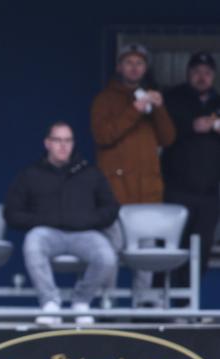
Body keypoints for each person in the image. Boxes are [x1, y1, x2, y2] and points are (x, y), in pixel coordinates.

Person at [4, 122, 120, 325]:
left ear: (73, 143)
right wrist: (43, 220)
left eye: (68, 140)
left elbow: (111, 208)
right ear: (47, 143)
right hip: (48, 234)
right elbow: (11, 213)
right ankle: (50, 304)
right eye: (57, 140)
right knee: (33, 241)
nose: (63, 145)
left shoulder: (90, 172)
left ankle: (81, 302)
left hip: (84, 234)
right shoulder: (31, 174)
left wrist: (87, 220)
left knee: (107, 256)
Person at [91, 43, 176, 302]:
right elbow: (103, 136)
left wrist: (159, 108)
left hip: (147, 193)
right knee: (111, 251)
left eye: (139, 63)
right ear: (119, 67)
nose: (134, 67)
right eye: (129, 62)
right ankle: (108, 305)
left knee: (146, 254)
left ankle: (143, 307)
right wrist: (135, 110)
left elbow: (168, 139)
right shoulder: (105, 99)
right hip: (116, 192)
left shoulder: (152, 97)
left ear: (145, 68)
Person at [162, 51, 220, 289]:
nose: (201, 77)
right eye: (196, 72)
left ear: (213, 76)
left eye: (206, 73)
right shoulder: (173, 99)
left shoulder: (217, 101)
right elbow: (162, 133)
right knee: (172, 247)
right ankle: (166, 302)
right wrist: (191, 126)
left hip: (209, 192)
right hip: (177, 189)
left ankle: (188, 302)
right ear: (188, 73)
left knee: (202, 249)